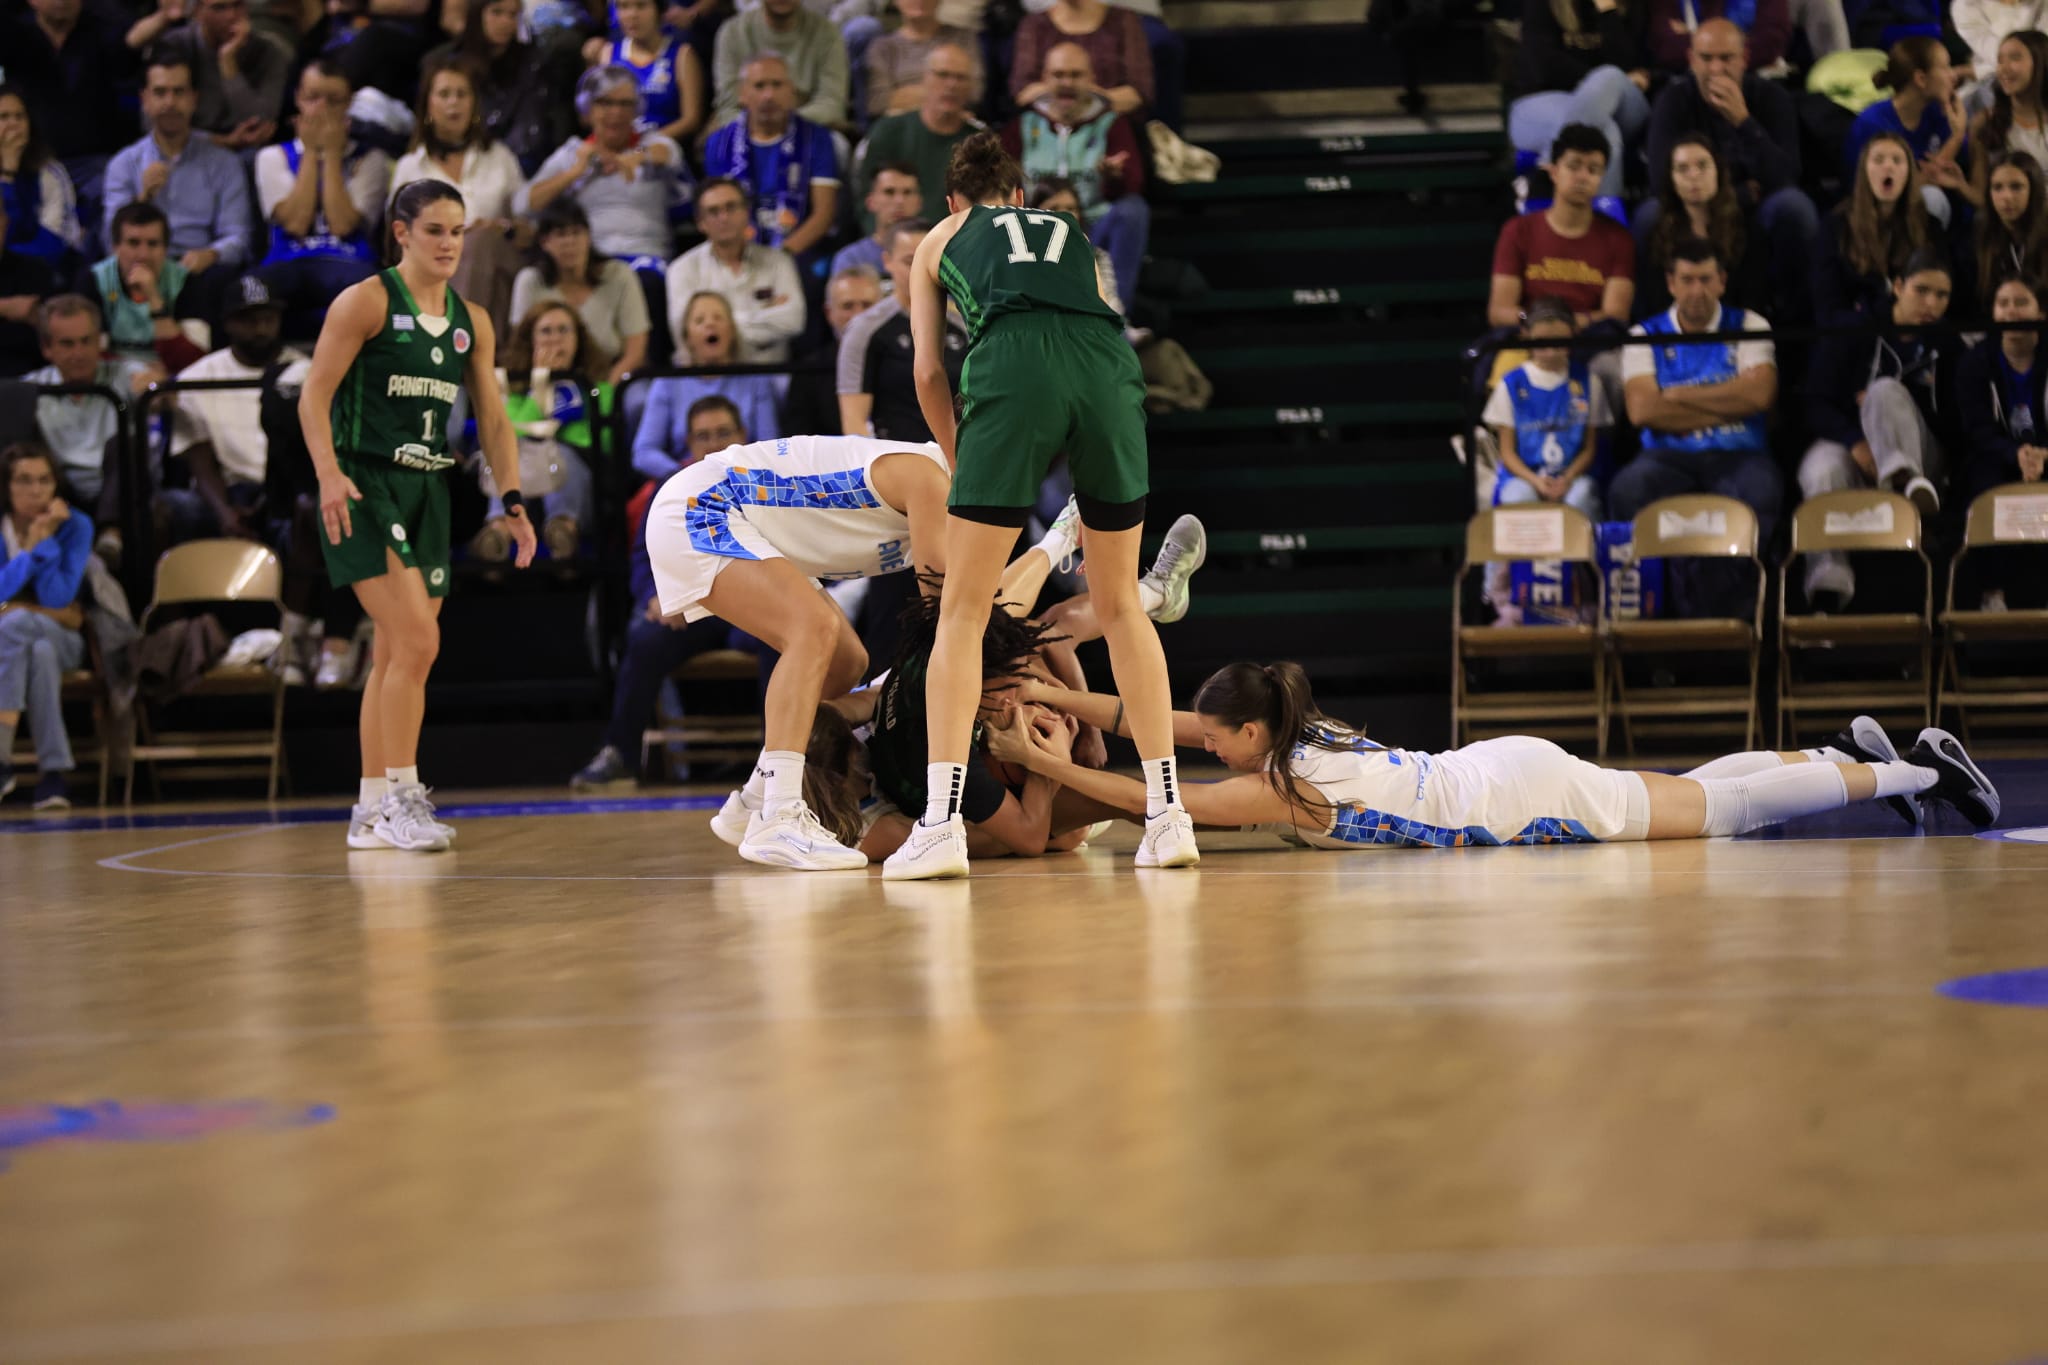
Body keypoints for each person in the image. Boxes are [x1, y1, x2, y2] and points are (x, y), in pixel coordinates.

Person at [882, 131, 1196, 878]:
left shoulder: (940, 237)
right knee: (1121, 605)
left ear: (953, 201)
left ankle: (939, 826)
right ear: (1020, 196)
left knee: (963, 612)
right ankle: (1169, 817)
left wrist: (960, 457)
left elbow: (927, 372)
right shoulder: (1068, 229)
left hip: (1015, 361)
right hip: (1107, 365)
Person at [1004, 666, 2001, 846]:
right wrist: (1056, 700)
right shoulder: (1296, 722)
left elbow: (1153, 798)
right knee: (1689, 787)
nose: (1205, 744)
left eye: (1217, 739)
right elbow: (1158, 721)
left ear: (1251, 738)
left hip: (1517, 798)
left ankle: (1918, 769)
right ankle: (1840, 753)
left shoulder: (1284, 786)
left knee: (1719, 815)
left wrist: (1041, 761)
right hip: (1501, 767)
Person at [299, 179, 538, 853]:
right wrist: (328, 474)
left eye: (457, 231)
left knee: (396, 653)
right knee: (417, 642)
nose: (449, 243)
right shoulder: (366, 301)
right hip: (364, 483)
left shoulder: (472, 320)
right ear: (401, 232)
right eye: (434, 230)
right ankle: (404, 797)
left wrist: (511, 500)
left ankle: (370, 807)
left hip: (429, 487)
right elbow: (313, 396)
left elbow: (494, 419)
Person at [644, 430, 953, 869]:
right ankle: (781, 817)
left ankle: (755, 799)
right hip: (705, 505)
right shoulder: (930, 479)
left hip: (745, 523)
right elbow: (941, 616)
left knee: (846, 661)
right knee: (813, 628)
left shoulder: (942, 487)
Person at [570, 393, 755, 790]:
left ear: (743, 435)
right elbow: (643, 557)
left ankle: (788, 758)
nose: (714, 443)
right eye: (703, 436)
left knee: (787, 641)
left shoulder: (768, 483)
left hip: (758, 609)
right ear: (688, 444)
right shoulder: (671, 489)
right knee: (645, 640)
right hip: (695, 608)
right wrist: (655, 597)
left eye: (723, 433)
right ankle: (620, 756)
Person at [1612, 235, 1781, 619]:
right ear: (1671, 284)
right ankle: (1653, 609)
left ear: (1722, 281)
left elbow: (1760, 396)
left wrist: (1677, 396)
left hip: (1739, 454)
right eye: (1687, 280)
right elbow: (1642, 411)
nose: (1697, 290)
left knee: (1761, 490)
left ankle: (1738, 615)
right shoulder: (1644, 335)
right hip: (1665, 458)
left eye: (1706, 279)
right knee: (1628, 489)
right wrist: (1730, 405)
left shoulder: (1750, 324)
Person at [1800, 248, 1958, 612]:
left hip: (1924, 461)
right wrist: (1855, 441)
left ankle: (1904, 479)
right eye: (1922, 291)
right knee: (1822, 467)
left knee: (1884, 391)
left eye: (1942, 295)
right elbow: (1816, 402)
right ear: (1898, 287)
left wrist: (1897, 406)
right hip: (1857, 447)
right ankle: (1828, 578)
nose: (1931, 304)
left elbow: (1955, 423)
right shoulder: (1854, 330)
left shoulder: (1949, 345)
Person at [1641, 19, 1815, 322]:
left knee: (1793, 207)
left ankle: (1792, 323)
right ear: (1691, 60)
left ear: (1744, 58)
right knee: (1649, 215)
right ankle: (1655, 325)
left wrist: (1743, 121)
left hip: (1755, 213)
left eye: (1726, 58)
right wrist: (1742, 192)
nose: (1716, 69)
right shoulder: (1673, 101)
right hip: (1695, 207)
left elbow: (1786, 176)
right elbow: (1661, 181)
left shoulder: (1773, 98)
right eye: (1706, 58)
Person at [1000, 42, 1149, 315]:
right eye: (1058, 75)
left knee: (1133, 210)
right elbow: (999, 183)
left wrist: (1114, 177)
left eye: (1075, 75)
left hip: (1092, 226)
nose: (1067, 82)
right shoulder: (1023, 126)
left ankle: (1115, 316)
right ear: (1044, 79)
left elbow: (1133, 182)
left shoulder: (1111, 124)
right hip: (1035, 230)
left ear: (1092, 79)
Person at [100, 54, 256, 306]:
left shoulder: (225, 163)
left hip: (199, 269)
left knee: (221, 280)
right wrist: (142, 199)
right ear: (145, 100)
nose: (170, 102)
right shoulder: (124, 164)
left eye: (179, 92)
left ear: (194, 99)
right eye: (160, 92)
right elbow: (110, 241)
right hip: (139, 264)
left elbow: (238, 237)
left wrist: (211, 254)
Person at [253, 61, 394, 335]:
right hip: (288, 263)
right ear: (298, 98)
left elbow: (342, 224)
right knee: (254, 288)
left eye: (333, 100)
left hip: (349, 264)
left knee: (372, 287)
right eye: (313, 97)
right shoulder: (272, 157)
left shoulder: (372, 160)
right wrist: (310, 152)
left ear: (349, 104)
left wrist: (330, 154)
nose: (322, 109)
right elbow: (295, 223)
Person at [390, 56, 529, 331]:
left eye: (462, 94)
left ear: (474, 104)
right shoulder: (410, 167)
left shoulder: (500, 158)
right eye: (444, 94)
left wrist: (502, 227)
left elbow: (528, 232)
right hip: (431, 268)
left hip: (499, 259)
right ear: (428, 104)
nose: (453, 103)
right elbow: (396, 241)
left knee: (479, 244)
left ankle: (457, 337)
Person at [469, 300, 610, 559]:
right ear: (531, 340)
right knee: (507, 453)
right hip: (524, 483)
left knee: (558, 454)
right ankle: (499, 532)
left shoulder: (598, 386)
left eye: (564, 330)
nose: (555, 339)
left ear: (578, 339)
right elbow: (509, 433)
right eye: (546, 331)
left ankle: (563, 529)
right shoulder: (513, 389)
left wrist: (548, 435)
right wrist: (541, 384)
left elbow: (603, 440)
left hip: (579, 480)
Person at [516, 65, 692, 267]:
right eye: (605, 102)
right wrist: (574, 173)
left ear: (637, 109)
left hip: (645, 257)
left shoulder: (652, 143)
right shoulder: (572, 154)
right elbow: (522, 205)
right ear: (587, 110)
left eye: (625, 104)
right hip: (590, 262)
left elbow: (669, 154)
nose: (616, 112)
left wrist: (636, 156)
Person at [0, 440, 95, 811]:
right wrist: (28, 552)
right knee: (36, 652)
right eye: (24, 480)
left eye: (44, 480)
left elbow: (57, 597)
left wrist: (46, 540)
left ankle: (1, 759)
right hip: (18, 646)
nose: (36, 490)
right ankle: (54, 774)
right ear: (7, 486)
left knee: (17, 622)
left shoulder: (76, 526)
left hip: (65, 638)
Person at [27, 295, 162, 541]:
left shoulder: (123, 373)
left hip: (122, 492)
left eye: (86, 341)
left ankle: (111, 536)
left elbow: (161, 393)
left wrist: (156, 388)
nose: (79, 353)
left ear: (100, 341)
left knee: (126, 443)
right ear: (47, 348)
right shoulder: (32, 389)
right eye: (67, 344)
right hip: (60, 491)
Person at [1955, 271, 2048, 609]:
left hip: (2044, 456)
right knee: (1984, 486)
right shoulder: (1975, 362)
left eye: (2021, 302)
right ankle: (1992, 592)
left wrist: (2042, 455)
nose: (2011, 311)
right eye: (2003, 303)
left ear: (2041, 312)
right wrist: (2015, 454)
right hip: (1996, 457)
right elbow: (1977, 430)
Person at [3, 0, 140, 223]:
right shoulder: (15, 33)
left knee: (113, 196)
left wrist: (164, 18)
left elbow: (131, 42)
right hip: (31, 158)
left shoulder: (104, 26)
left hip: (93, 161)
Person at [1488, 123, 1635, 330]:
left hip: (1591, 342)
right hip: (1529, 338)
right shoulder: (1517, 231)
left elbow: (1615, 315)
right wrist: (1533, 320)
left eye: (1593, 170)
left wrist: (1565, 323)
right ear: (1554, 171)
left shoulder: (1618, 239)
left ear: (1601, 178)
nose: (1583, 177)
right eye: (1573, 166)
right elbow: (1499, 311)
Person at [634, 288, 788, 478]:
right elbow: (644, 452)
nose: (710, 324)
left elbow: (770, 447)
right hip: (684, 477)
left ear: (732, 330)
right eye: (700, 320)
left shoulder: (757, 379)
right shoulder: (667, 382)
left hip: (745, 478)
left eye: (718, 318)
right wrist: (685, 475)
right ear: (687, 337)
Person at [702, 54, 842, 262]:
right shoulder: (720, 144)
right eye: (759, 86)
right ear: (742, 94)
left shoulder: (817, 139)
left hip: (797, 252)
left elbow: (823, 214)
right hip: (738, 254)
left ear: (792, 91)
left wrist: (779, 259)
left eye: (777, 85)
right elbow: (716, 211)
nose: (769, 95)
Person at [1507, 0, 1650, 203]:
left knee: (1609, 76)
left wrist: (1608, 13)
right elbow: (1544, 67)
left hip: (1624, 104)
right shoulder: (1543, 4)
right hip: (1539, 103)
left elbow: (1628, 64)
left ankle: (1545, 177)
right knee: (1604, 132)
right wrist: (1593, 84)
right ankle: (1604, 219)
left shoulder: (1635, 5)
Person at [837, 216, 963, 437]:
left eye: (931, 259)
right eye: (909, 261)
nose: (921, 269)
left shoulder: (964, 321)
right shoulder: (864, 329)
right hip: (897, 452)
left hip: (961, 451)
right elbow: (854, 422)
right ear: (887, 261)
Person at [1483, 298, 1606, 523]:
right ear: (1526, 336)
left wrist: (1567, 478)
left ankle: (1583, 548)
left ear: (1572, 335)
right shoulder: (1511, 384)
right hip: (1523, 477)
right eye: (1541, 343)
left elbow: (1589, 448)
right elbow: (1507, 453)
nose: (1550, 352)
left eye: (1559, 343)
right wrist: (1536, 481)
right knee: (1519, 498)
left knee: (1581, 497)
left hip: (1572, 476)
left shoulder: (1588, 382)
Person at [508, 199, 651, 388]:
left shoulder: (620, 275)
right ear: (544, 242)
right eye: (560, 234)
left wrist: (602, 395)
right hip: (543, 378)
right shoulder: (529, 281)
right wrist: (542, 382)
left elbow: (636, 351)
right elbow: (521, 348)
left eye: (576, 233)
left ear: (588, 237)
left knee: (638, 399)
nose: (569, 242)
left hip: (610, 380)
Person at [663, 177, 807, 364]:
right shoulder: (682, 270)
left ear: (747, 212)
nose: (724, 217)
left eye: (731, 207)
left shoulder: (779, 262)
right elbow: (685, 335)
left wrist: (720, 325)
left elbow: (794, 321)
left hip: (770, 372)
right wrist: (765, 313)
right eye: (713, 211)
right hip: (708, 373)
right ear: (700, 222)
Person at [428, 0, 577, 174]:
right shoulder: (448, 63)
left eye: (512, 15)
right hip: (461, 157)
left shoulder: (534, 63)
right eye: (497, 12)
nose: (505, 22)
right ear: (477, 15)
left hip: (520, 163)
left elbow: (532, 131)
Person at [853, 43, 983, 234]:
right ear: (925, 78)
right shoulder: (889, 131)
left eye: (960, 78)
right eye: (943, 75)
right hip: (893, 242)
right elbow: (865, 202)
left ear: (971, 86)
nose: (951, 85)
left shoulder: (980, 143)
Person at [134, 0, 293, 153]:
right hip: (183, 149)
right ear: (197, 11)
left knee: (254, 156)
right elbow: (152, 123)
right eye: (219, 8)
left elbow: (260, 127)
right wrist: (224, 142)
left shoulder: (269, 52)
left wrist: (228, 64)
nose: (231, 15)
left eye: (238, 5)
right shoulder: (175, 46)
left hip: (244, 152)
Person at [1636, 134, 1767, 317]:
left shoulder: (1746, 228)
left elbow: (1752, 298)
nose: (1694, 176)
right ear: (1671, 179)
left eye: (1702, 166)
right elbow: (1653, 302)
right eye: (1682, 168)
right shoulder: (1656, 231)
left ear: (1718, 172)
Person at [1815, 132, 1935, 322]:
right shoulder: (1836, 226)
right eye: (1878, 160)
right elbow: (1827, 309)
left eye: (1897, 160)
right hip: (1855, 332)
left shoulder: (1929, 225)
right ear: (1864, 170)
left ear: (1909, 172)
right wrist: (1889, 315)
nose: (1888, 166)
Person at [1846, 37, 1967, 222]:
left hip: (1916, 211)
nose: (1953, 76)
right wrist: (1956, 137)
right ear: (1921, 79)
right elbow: (1900, 188)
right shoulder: (1874, 124)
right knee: (1932, 199)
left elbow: (1962, 163)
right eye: (1945, 68)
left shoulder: (1936, 111)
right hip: (1874, 213)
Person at [711, 0, 850, 129]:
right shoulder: (733, 33)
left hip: (809, 129)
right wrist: (761, 131)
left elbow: (831, 104)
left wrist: (781, 125)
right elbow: (728, 108)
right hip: (746, 131)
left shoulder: (827, 33)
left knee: (838, 143)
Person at [784, 262, 880, 435]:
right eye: (848, 306)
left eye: (867, 305)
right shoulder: (808, 372)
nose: (858, 316)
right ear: (829, 313)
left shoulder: (906, 362)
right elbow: (799, 439)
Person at [1010, 0, 1150, 116]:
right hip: (1046, 129)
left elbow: (1138, 94)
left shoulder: (1123, 20)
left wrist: (1090, 100)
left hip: (1112, 125)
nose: (1067, 83)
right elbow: (1023, 93)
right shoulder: (1034, 25)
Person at [0, 85, 87, 270]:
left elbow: (55, 242)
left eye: (20, 116)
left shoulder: (49, 171)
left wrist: (8, 258)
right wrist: (7, 176)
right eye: (4, 117)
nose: (14, 124)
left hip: (41, 272)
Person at [605, 0, 708, 149]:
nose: (632, 15)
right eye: (624, 7)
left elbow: (691, 120)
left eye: (641, 6)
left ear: (659, 11)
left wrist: (645, 144)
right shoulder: (608, 53)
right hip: (618, 148)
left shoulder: (682, 55)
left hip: (663, 149)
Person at [865, 0, 984, 120]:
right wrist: (948, 94)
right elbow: (879, 103)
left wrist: (902, 95)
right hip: (901, 123)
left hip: (953, 122)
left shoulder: (963, 38)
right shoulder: (883, 47)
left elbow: (974, 92)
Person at [1969, 31, 2048, 195]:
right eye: (2000, 60)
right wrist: (1956, 136)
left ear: (2040, 62)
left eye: (2015, 58)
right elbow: (1981, 195)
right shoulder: (1985, 121)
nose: (2003, 68)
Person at [1973, 149, 2048, 308]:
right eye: (1997, 187)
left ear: (2034, 190)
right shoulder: (1979, 234)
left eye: (2016, 187)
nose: (2006, 196)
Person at [829, 161, 921, 282]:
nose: (899, 201)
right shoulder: (851, 259)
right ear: (871, 202)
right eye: (889, 192)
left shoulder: (934, 253)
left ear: (919, 202)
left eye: (907, 192)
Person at [1644, 0, 1790, 72]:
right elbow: (1666, 48)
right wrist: (1740, 41)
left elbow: (1769, 45)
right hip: (1685, 85)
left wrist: (1694, 36)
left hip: (1755, 82)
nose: (1716, 67)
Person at [0, 200, 57, 379]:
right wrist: (5, 308)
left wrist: (41, 320)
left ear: (6, 222)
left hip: (28, 383)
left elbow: (56, 334)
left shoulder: (35, 272)